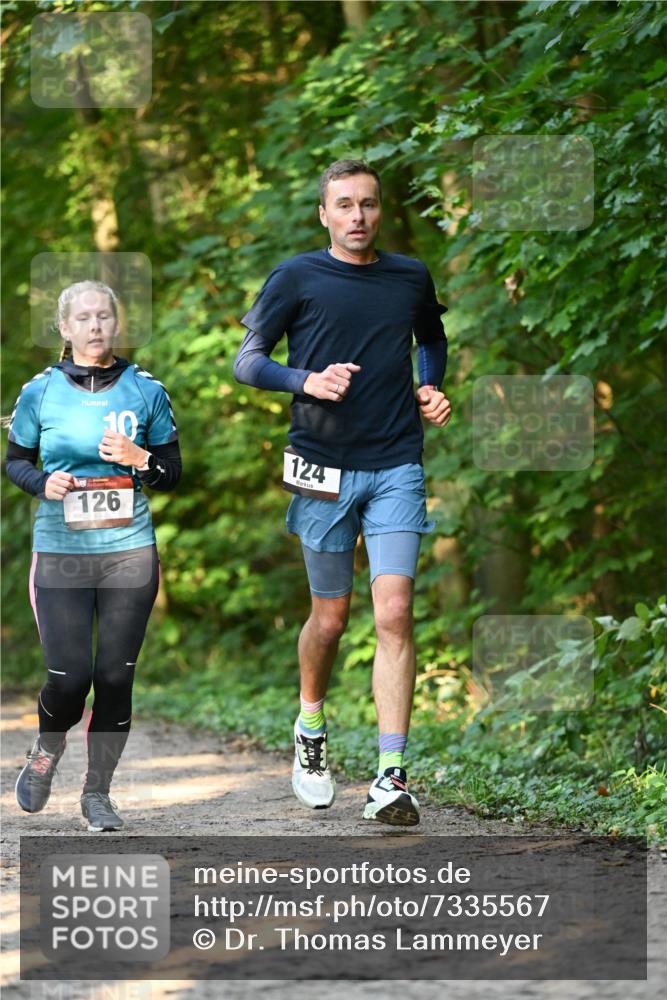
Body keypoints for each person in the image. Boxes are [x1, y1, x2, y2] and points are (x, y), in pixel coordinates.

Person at [234, 159, 451, 826]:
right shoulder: (297, 276)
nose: (357, 216)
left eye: (368, 204)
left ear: (379, 211)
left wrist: (429, 383)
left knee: (394, 612)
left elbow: (431, 340)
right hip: (321, 465)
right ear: (323, 215)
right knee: (329, 619)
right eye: (344, 206)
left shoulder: (408, 276)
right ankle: (310, 729)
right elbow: (247, 360)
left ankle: (390, 776)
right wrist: (304, 381)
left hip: (394, 463)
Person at [7, 280, 181, 831]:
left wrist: (141, 457)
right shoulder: (39, 392)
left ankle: (97, 793)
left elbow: (172, 473)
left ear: (116, 321)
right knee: (69, 675)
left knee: (114, 677)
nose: (96, 326)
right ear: (65, 328)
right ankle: (46, 747)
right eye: (83, 318)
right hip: (60, 549)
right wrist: (41, 483)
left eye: (104, 315)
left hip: (128, 549)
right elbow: (14, 460)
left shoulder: (146, 390)